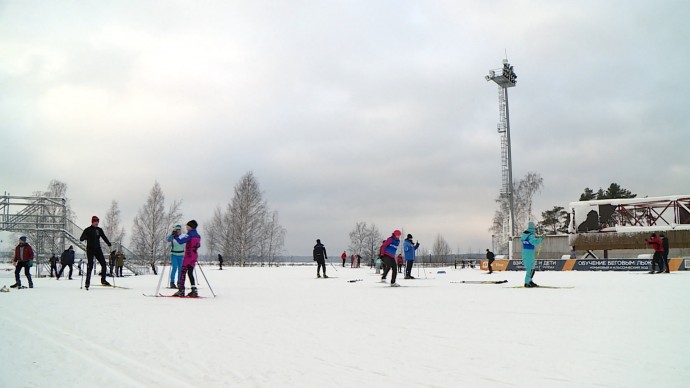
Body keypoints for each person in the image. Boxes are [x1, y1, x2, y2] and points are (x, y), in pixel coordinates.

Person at [79, 215, 112, 290]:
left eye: (97, 222)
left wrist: (108, 243)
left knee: (103, 264)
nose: (97, 223)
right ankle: (87, 283)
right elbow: (81, 238)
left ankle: (103, 280)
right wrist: (85, 237)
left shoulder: (99, 230)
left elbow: (104, 237)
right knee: (90, 266)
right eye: (95, 222)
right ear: (92, 222)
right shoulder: (87, 230)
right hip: (90, 249)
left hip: (98, 249)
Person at [173, 220, 202, 297]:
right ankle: (194, 290)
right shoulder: (198, 235)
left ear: (190, 226)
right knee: (190, 272)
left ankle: (181, 290)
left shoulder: (189, 234)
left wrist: (175, 236)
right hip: (194, 255)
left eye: (187, 226)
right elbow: (198, 245)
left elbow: (181, 241)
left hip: (188, 256)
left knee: (183, 272)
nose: (186, 228)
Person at [520, 222, 543, 287]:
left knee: (530, 268)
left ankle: (530, 281)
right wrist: (540, 239)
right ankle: (527, 282)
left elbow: (522, 240)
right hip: (529, 252)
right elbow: (534, 243)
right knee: (530, 268)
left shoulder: (524, 234)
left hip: (525, 251)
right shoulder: (531, 235)